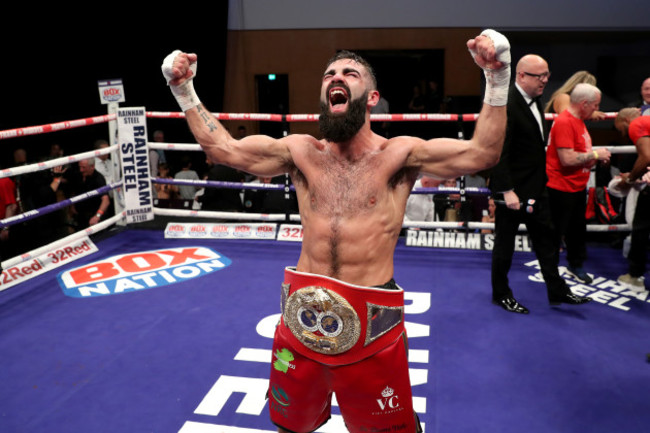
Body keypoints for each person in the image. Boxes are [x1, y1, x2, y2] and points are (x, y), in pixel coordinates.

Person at [162, 29, 510, 433]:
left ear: (372, 98)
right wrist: (183, 89)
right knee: (292, 425)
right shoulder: (300, 152)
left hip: (372, 322)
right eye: (329, 74)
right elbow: (225, 150)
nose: (336, 78)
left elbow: (482, 152)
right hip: (300, 319)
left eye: (350, 73)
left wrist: (496, 77)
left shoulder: (399, 154)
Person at [489, 54, 592, 314]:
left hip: (536, 186)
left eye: (547, 74)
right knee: (505, 245)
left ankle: (557, 289)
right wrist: (506, 190)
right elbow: (498, 151)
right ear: (521, 75)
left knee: (547, 241)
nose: (546, 80)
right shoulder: (507, 103)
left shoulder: (536, 101)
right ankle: (501, 293)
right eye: (540, 76)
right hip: (512, 190)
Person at [546, 83, 611, 284]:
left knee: (576, 230)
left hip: (576, 185)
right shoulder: (565, 122)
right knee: (556, 232)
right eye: (595, 105)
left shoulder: (579, 121)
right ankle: (550, 272)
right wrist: (594, 154)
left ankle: (575, 265)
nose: (596, 109)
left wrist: (594, 158)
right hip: (560, 186)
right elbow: (566, 159)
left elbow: (579, 153)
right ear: (584, 103)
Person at [611, 107, 650, 291]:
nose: (623, 135)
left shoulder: (638, 124)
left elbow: (646, 157)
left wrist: (631, 179)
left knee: (640, 226)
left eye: (620, 129)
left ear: (625, 120)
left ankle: (635, 277)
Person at [71, 158, 111, 229]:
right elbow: (74, 191)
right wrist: (72, 206)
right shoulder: (78, 175)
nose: (81, 170)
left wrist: (97, 216)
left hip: (94, 216)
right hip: (81, 216)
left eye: (84, 167)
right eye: (80, 167)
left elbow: (106, 200)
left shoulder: (99, 179)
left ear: (92, 166)